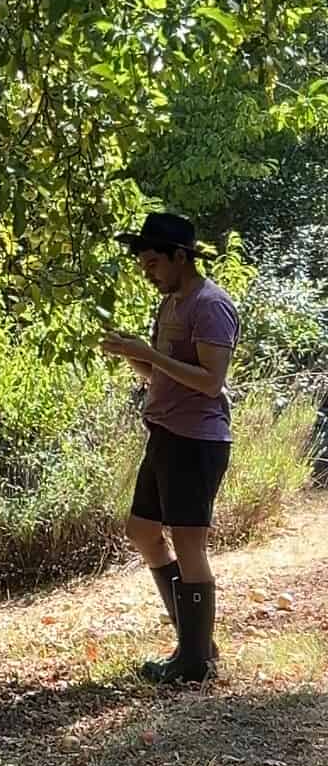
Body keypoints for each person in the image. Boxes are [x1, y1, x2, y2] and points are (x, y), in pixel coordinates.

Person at [101, 211, 240, 685]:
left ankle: (195, 662)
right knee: (141, 530)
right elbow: (163, 373)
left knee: (188, 542)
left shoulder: (210, 305)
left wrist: (152, 354)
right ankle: (195, 639)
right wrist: (136, 356)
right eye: (144, 263)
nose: (147, 271)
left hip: (197, 440)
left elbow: (210, 382)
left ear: (181, 257)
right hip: (162, 434)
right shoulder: (171, 303)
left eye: (154, 262)